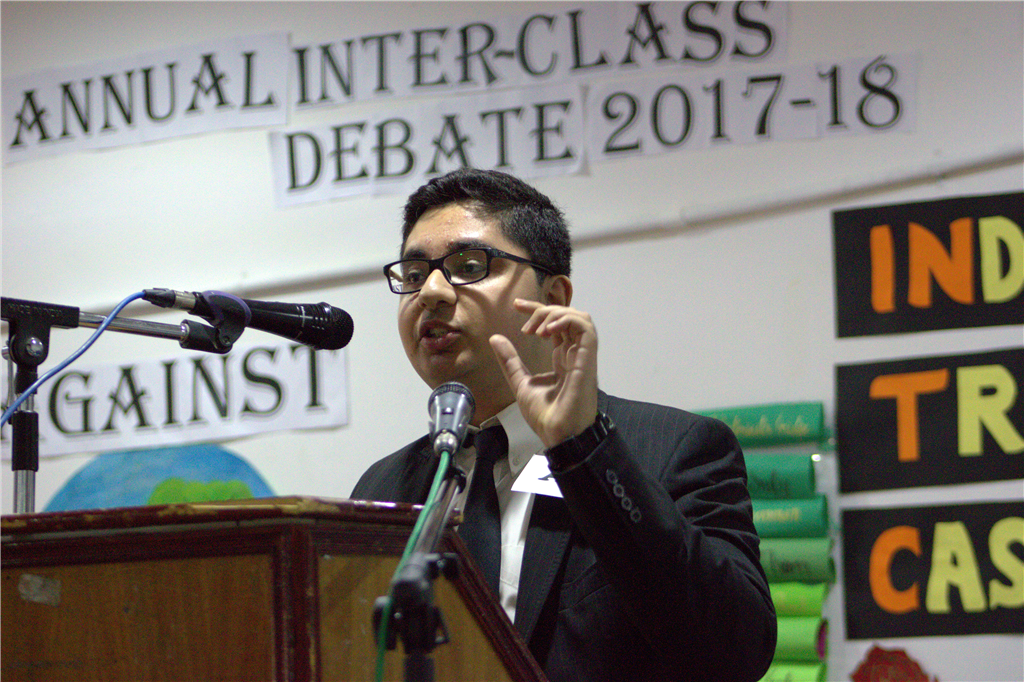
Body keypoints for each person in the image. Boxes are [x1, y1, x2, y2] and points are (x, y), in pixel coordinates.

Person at [351, 168, 777, 681]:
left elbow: (736, 652)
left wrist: (583, 448)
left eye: (469, 266)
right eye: (414, 275)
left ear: (552, 298)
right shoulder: (384, 487)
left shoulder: (673, 449)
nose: (431, 292)